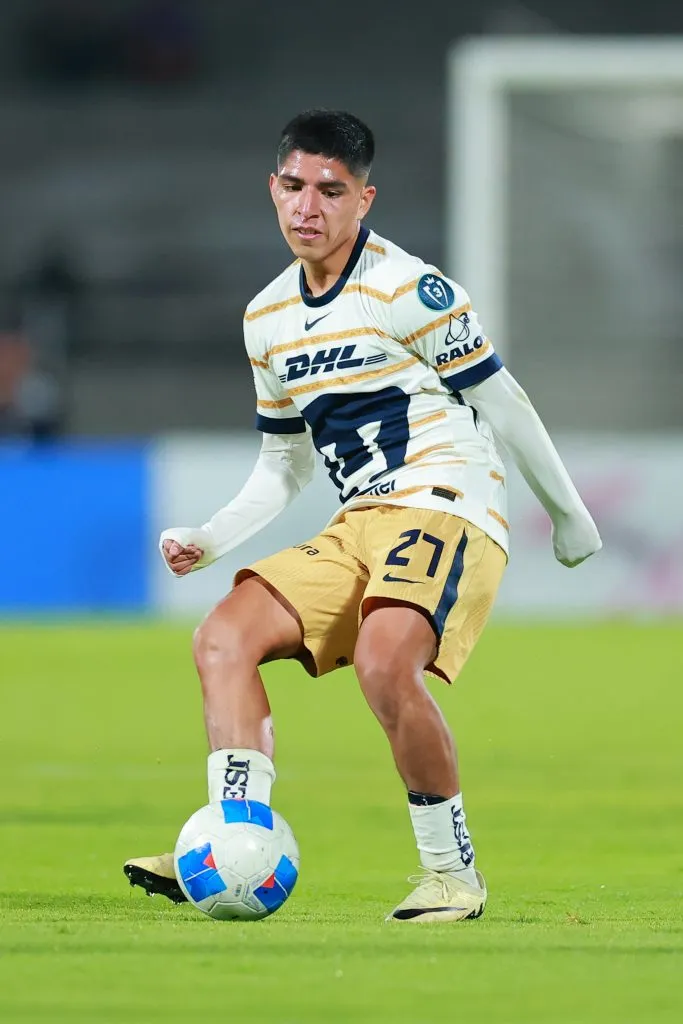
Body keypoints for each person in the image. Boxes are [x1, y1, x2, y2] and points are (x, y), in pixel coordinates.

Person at [124, 110, 601, 923]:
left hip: (446, 502)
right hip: (359, 520)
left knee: (385, 661)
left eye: (330, 191)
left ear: (363, 200)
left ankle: (451, 875)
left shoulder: (409, 289)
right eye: (293, 186)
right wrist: (211, 538)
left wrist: (568, 515)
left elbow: (503, 401)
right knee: (222, 637)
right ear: (272, 188)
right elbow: (284, 462)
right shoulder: (266, 317)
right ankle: (234, 839)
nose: (306, 206)